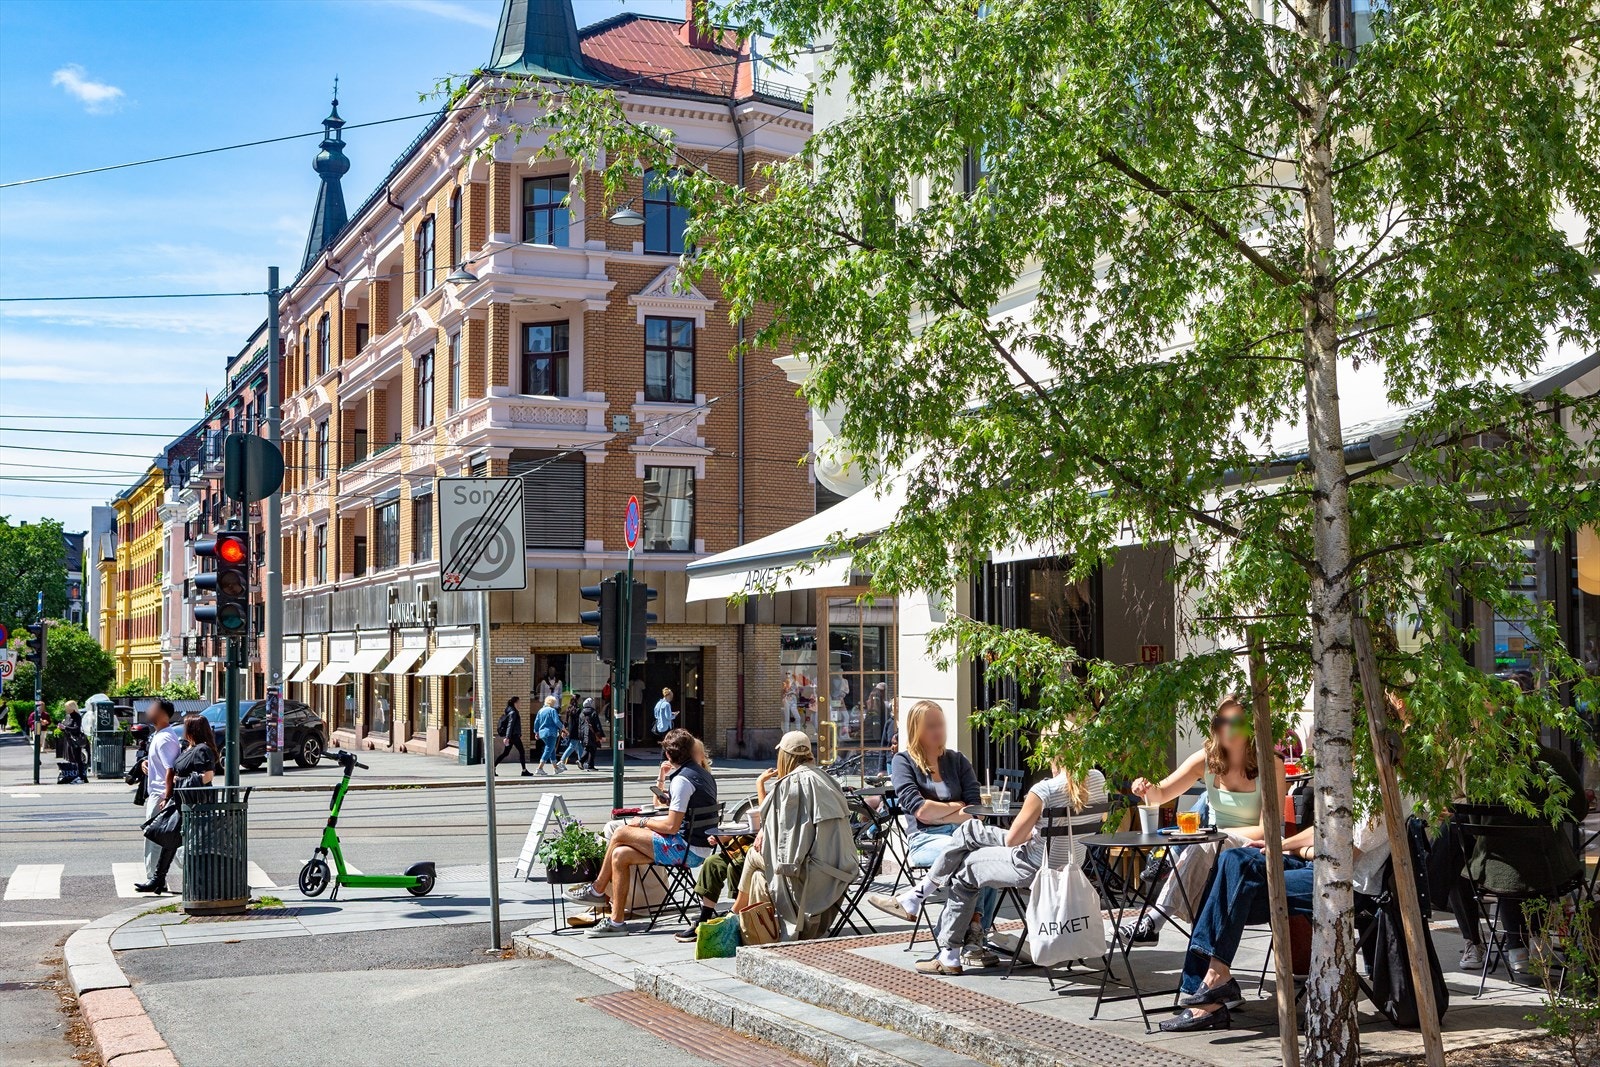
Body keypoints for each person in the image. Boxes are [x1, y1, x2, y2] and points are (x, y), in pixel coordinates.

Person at [1160, 811, 1395, 1032]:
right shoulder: (1355, 778)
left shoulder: (1383, 793)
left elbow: (1342, 856)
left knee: (1232, 892)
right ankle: (1212, 980)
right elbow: (1325, 829)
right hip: (1315, 867)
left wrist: (1297, 851)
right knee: (1234, 859)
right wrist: (1279, 845)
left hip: (1344, 885)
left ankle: (1205, 991)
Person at [905, 754, 1109, 975]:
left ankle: (946, 947)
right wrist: (1038, 831)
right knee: (969, 833)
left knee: (965, 865)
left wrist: (1032, 831)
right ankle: (923, 901)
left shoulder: (1045, 789)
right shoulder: (1098, 779)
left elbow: (1013, 840)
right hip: (1073, 866)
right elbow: (1100, 819)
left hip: (1031, 867)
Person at [1123, 695, 1286, 944]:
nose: (1228, 729)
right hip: (1213, 843)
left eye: (1237, 722)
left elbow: (1269, 829)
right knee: (1203, 844)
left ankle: (1154, 921)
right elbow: (1162, 793)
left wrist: (1218, 835)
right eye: (1222, 722)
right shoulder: (1207, 759)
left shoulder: (1270, 764)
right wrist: (1144, 788)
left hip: (1254, 845)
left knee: (1204, 842)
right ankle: (1198, 939)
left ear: (1252, 725)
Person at [870, 700, 990, 965]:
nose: (939, 731)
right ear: (916, 729)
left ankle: (953, 927)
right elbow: (919, 811)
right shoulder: (904, 762)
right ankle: (972, 937)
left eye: (941, 724)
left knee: (987, 860)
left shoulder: (957, 760)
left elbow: (977, 808)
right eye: (931, 726)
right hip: (925, 839)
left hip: (964, 835)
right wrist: (956, 808)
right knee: (974, 860)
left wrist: (944, 811)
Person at [567, 728, 718, 937]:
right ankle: (616, 923)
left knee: (620, 832)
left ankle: (597, 889)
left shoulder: (682, 780)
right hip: (696, 846)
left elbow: (672, 827)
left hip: (686, 850)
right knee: (620, 855)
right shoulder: (702, 774)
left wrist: (644, 822)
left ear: (667, 755)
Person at [1465, 740, 1588, 972]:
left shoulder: (1479, 764)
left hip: (1493, 868)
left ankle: (1517, 949)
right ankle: (1536, 944)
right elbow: (1577, 811)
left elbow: (1475, 822)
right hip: (1548, 867)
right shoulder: (1554, 759)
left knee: (1512, 870)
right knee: (1535, 865)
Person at [732, 730, 857, 941]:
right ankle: (740, 917)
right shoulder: (827, 779)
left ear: (784, 756)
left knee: (754, 855)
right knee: (757, 877)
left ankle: (735, 914)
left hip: (811, 877)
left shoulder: (790, 785)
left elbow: (788, 854)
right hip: (839, 872)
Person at [140, 715, 221, 894]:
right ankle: (158, 879)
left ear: (193, 730)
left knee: (173, 837)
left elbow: (207, 776)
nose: (183, 730)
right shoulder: (187, 748)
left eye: (186, 727)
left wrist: (180, 780)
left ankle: (163, 879)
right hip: (182, 800)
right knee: (168, 836)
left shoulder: (202, 750)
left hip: (195, 804)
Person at [134, 701, 184, 894]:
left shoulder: (165, 739)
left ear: (163, 714)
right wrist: (146, 762)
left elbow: (171, 769)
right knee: (159, 837)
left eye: (152, 708)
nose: (148, 711)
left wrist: (166, 796)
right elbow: (164, 765)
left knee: (157, 836)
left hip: (161, 794)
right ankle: (156, 879)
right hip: (157, 792)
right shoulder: (158, 736)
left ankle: (155, 879)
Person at [493, 696, 529, 776]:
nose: (520, 704)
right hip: (514, 736)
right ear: (515, 703)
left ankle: (493, 767)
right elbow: (510, 725)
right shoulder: (513, 712)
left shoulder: (510, 711)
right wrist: (507, 737)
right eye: (519, 702)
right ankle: (524, 770)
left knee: (506, 753)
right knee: (521, 752)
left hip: (512, 736)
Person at [56, 700, 88, 783]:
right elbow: (67, 727)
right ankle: (76, 775)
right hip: (69, 739)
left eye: (67, 707)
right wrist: (62, 728)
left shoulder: (77, 716)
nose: (66, 709)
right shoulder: (68, 716)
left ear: (72, 708)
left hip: (75, 740)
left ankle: (81, 776)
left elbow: (76, 728)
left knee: (77, 758)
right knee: (71, 758)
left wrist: (65, 728)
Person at [534, 696, 564, 775]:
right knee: (548, 749)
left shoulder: (540, 711)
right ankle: (540, 767)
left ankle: (556, 768)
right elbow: (557, 721)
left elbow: (536, 722)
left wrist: (536, 732)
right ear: (552, 703)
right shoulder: (552, 710)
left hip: (542, 733)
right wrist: (563, 728)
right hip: (551, 732)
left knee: (551, 748)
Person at [557, 695, 587, 768]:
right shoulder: (578, 710)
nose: (581, 701)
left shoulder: (569, 709)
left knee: (579, 746)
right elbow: (579, 722)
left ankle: (581, 761)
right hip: (577, 730)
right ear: (577, 700)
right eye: (580, 699)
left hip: (571, 730)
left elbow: (566, 721)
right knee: (572, 746)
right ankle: (562, 760)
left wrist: (564, 730)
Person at [578, 697, 605, 771]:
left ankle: (584, 763)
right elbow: (597, 725)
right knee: (592, 749)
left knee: (588, 748)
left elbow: (580, 726)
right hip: (592, 734)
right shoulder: (593, 712)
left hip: (584, 734)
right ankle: (588, 764)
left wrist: (580, 736)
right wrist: (601, 735)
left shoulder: (581, 713)